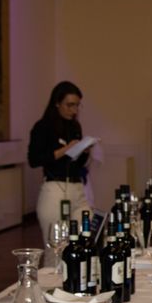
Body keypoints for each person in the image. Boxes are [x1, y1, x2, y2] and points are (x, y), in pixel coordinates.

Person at [27, 81, 92, 244]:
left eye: (77, 105)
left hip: (77, 188)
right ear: (57, 103)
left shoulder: (75, 126)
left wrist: (84, 152)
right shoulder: (43, 127)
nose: (74, 110)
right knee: (57, 246)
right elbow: (34, 160)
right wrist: (65, 149)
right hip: (55, 189)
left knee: (85, 238)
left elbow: (77, 164)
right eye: (69, 105)